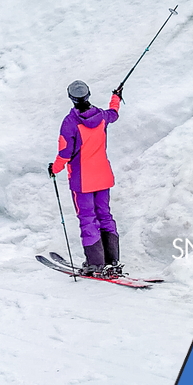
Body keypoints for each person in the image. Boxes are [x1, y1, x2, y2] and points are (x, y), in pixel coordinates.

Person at [48, 80, 122, 276]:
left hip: (83, 181)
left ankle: (95, 264)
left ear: (71, 98)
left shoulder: (70, 123)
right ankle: (112, 260)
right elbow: (114, 113)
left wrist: (54, 169)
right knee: (105, 215)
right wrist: (116, 97)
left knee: (88, 219)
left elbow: (64, 153)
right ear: (88, 95)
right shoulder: (102, 117)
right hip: (103, 176)